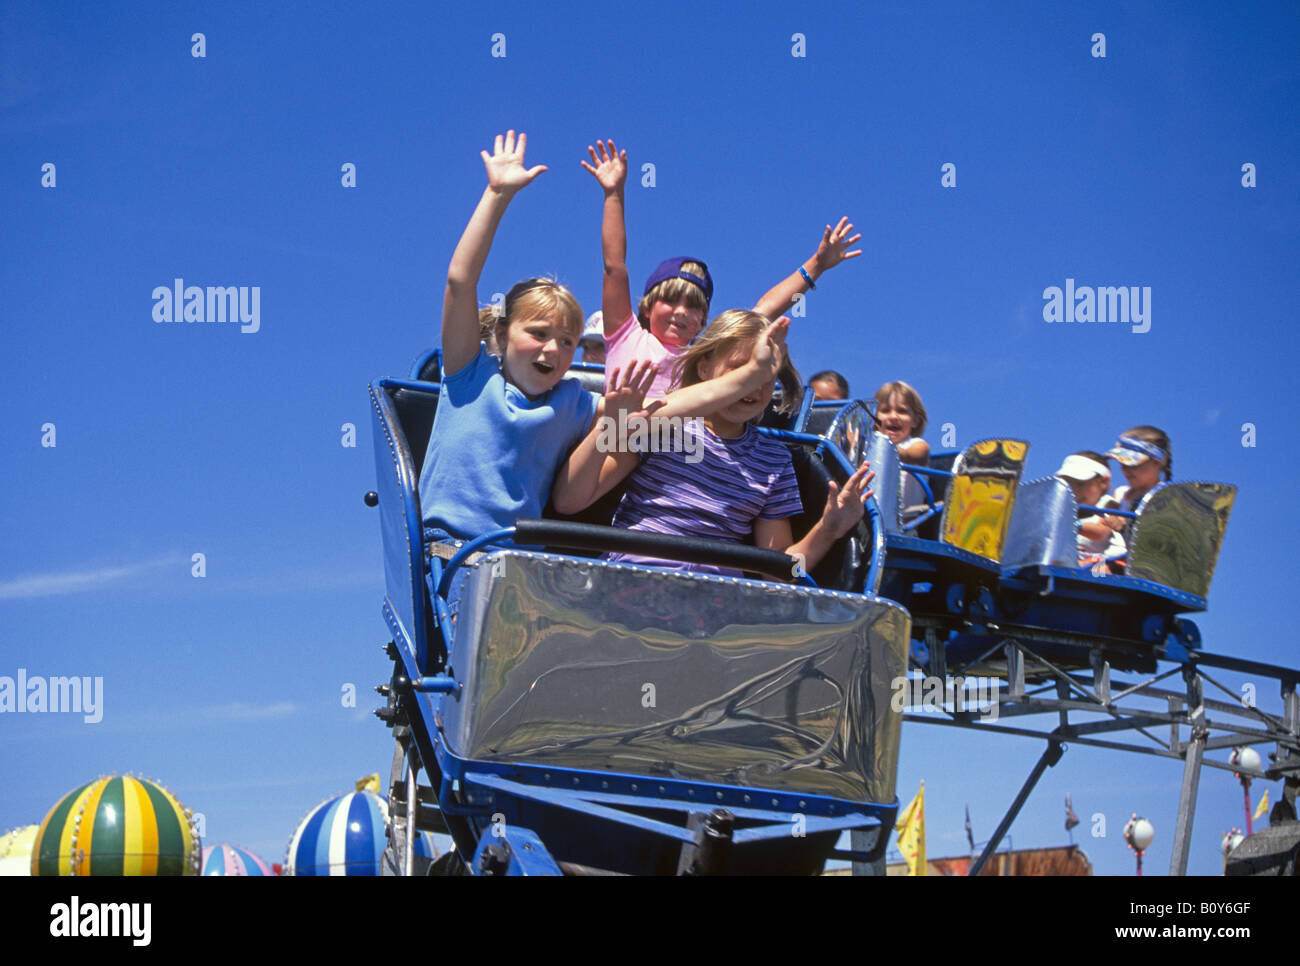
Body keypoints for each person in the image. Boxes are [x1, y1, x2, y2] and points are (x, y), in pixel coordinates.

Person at [418, 130, 656, 545]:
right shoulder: (469, 374)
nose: (554, 350)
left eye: (567, 341)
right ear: (501, 333)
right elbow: (460, 281)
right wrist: (497, 194)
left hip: (520, 563)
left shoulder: (571, 400)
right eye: (539, 333)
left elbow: (653, 413)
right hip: (450, 551)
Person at [558, 310, 874, 577]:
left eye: (767, 377)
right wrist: (609, 425)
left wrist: (828, 528)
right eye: (742, 370)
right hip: (633, 581)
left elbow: (776, 571)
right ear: (705, 368)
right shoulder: (663, 426)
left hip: (711, 608)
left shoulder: (773, 462)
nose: (753, 386)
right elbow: (569, 501)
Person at [581, 138, 862, 400]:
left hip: (676, 452)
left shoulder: (703, 360)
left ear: (704, 321)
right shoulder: (624, 333)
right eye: (669, 301)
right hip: (620, 444)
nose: (680, 312)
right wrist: (614, 195)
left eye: (692, 306)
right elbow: (614, 266)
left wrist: (817, 266)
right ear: (646, 308)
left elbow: (763, 311)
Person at [1055, 451, 1126, 572]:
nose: (1074, 491)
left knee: (1098, 572)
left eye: (1080, 484)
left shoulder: (1107, 504)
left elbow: (1101, 533)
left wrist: (1075, 526)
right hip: (1083, 562)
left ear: (1103, 482)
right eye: (1068, 485)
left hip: (1109, 562)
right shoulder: (1066, 510)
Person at [874, 380, 930, 466]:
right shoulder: (868, 447)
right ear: (874, 418)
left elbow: (914, 455)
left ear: (915, 421)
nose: (893, 417)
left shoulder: (917, 444)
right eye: (885, 411)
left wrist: (878, 449)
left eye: (902, 411)